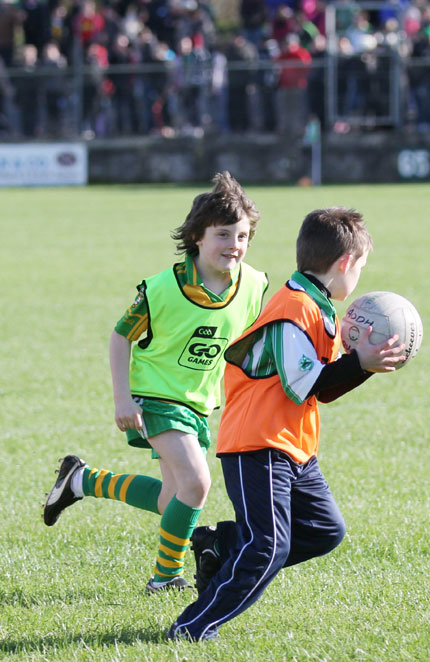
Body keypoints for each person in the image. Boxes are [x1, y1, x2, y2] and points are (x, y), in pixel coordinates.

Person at [169, 206, 406, 640]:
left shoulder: (319, 307)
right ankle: (191, 627)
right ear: (345, 263)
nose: (359, 277)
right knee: (267, 548)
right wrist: (359, 363)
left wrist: (362, 365)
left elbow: (325, 388)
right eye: (362, 267)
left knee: (323, 530)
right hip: (256, 444)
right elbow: (306, 386)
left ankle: (221, 547)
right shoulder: (293, 309)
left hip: (293, 447)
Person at [43, 172, 268, 594]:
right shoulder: (163, 288)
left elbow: (253, 341)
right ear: (197, 237)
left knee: (172, 499)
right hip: (156, 397)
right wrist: (122, 397)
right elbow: (118, 336)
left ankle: (81, 480)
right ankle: (165, 578)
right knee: (198, 485)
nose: (233, 245)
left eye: (241, 236)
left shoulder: (254, 284)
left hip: (200, 403)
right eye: (222, 235)